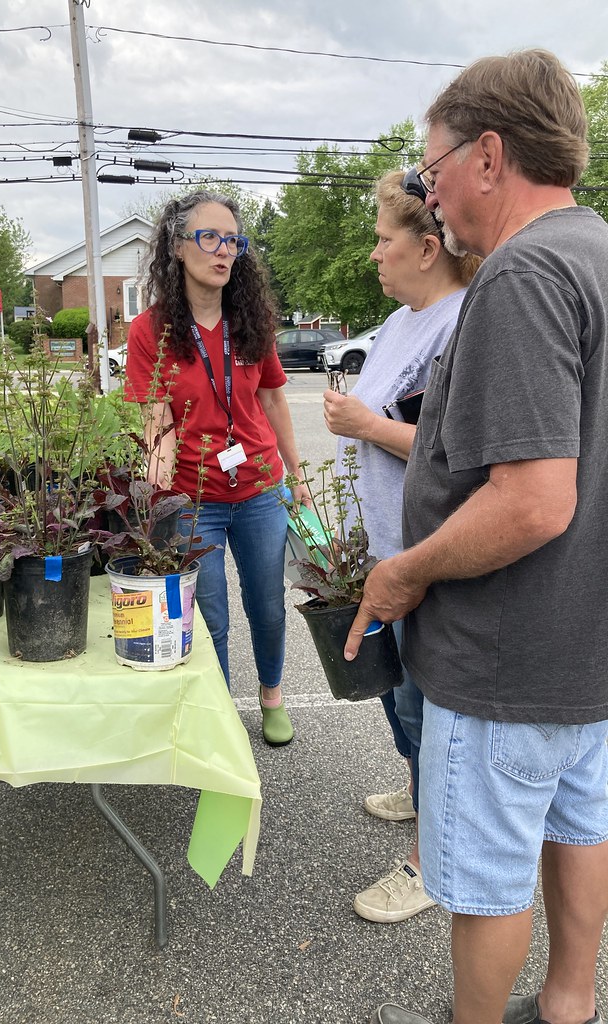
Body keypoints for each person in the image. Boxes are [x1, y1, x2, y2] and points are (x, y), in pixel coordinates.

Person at [341, 51, 608, 1024]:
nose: (430, 191)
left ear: (489, 155)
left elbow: (535, 499)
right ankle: (570, 1003)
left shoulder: (522, 275)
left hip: (507, 650)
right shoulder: (597, 250)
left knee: (490, 872)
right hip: (585, 644)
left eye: (432, 166)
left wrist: (404, 572)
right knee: (580, 822)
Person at [323, 169, 480, 924]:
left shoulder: (460, 324)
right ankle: (420, 796)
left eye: (384, 241)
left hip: (425, 555)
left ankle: (427, 861)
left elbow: (459, 453)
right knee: (395, 695)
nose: (374, 255)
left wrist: (366, 427)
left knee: (423, 709)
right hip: (383, 545)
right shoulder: (398, 324)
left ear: (426, 248)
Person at [125, 190, 309, 746]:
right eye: (209, 237)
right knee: (210, 617)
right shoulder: (149, 330)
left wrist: (297, 476)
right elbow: (155, 422)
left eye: (232, 240)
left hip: (259, 489)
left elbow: (274, 400)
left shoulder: (253, 322)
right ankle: (221, 713)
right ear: (178, 247)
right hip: (193, 498)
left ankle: (272, 695)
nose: (223, 251)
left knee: (268, 605)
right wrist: (152, 502)